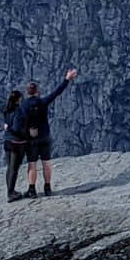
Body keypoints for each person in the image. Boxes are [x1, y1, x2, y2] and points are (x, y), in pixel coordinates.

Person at [16, 67, 79, 198]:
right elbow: (57, 92)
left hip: (31, 138)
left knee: (32, 164)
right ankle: (48, 188)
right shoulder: (42, 102)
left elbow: (19, 122)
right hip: (45, 136)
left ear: (27, 92)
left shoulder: (23, 106)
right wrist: (67, 78)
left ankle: (32, 190)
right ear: (37, 91)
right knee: (46, 162)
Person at [0, 79, 30, 203]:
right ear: (18, 100)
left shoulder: (6, 107)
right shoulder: (19, 111)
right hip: (17, 144)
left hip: (7, 143)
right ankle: (11, 193)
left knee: (10, 168)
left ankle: (10, 191)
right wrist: (10, 128)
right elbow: (17, 129)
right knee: (14, 168)